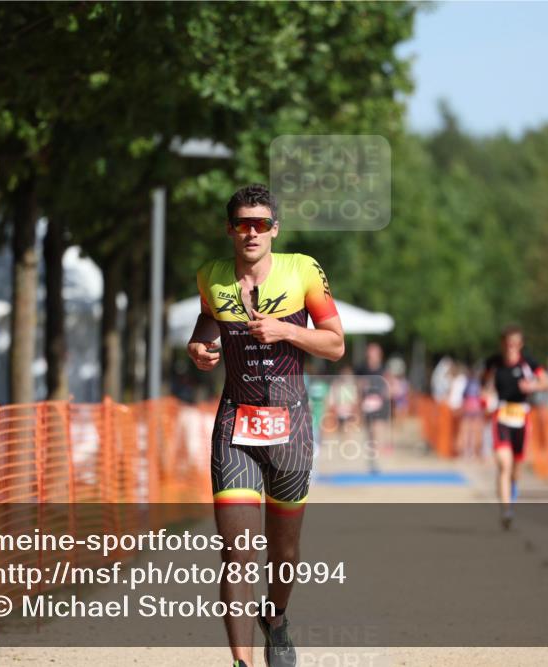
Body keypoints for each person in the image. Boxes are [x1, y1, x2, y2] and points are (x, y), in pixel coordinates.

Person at [187, 184, 345, 667]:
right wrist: (199, 345)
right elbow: (207, 320)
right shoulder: (212, 277)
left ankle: (275, 619)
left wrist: (286, 330)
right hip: (236, 424)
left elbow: (336, 345)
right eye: (242, 223)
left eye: (260, 223)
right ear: (229, 229)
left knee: (284, 552)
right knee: (238, 554)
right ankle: (242, 662)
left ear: (274, 229)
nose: (251, 232)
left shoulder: (303, 271)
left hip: (291, 425)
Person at [483, 326, 548, 529]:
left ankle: (512, 492)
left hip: (522, 417)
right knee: (504, 463)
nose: (511, 347)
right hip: (501, 415)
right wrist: (486, 397)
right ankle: (506, 510)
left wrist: (532, 387)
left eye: (515, 343)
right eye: (507, 343)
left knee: (515, 469)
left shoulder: (529, 363)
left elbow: (546, 382)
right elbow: (484, 385)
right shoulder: (493, 363)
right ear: (502, 343)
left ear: (520, 344)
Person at [357, 342, 391, 472]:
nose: (371, 355)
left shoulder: (383, 369)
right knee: (370, 433)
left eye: (374, 352)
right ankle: (372, 461)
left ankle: (377, 461)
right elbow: (359, 387)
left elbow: (388, 386)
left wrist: (385, 397)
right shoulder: (363, 368)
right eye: (370, 352)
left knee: (377, 431)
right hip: (367, 406)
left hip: (380, 405)